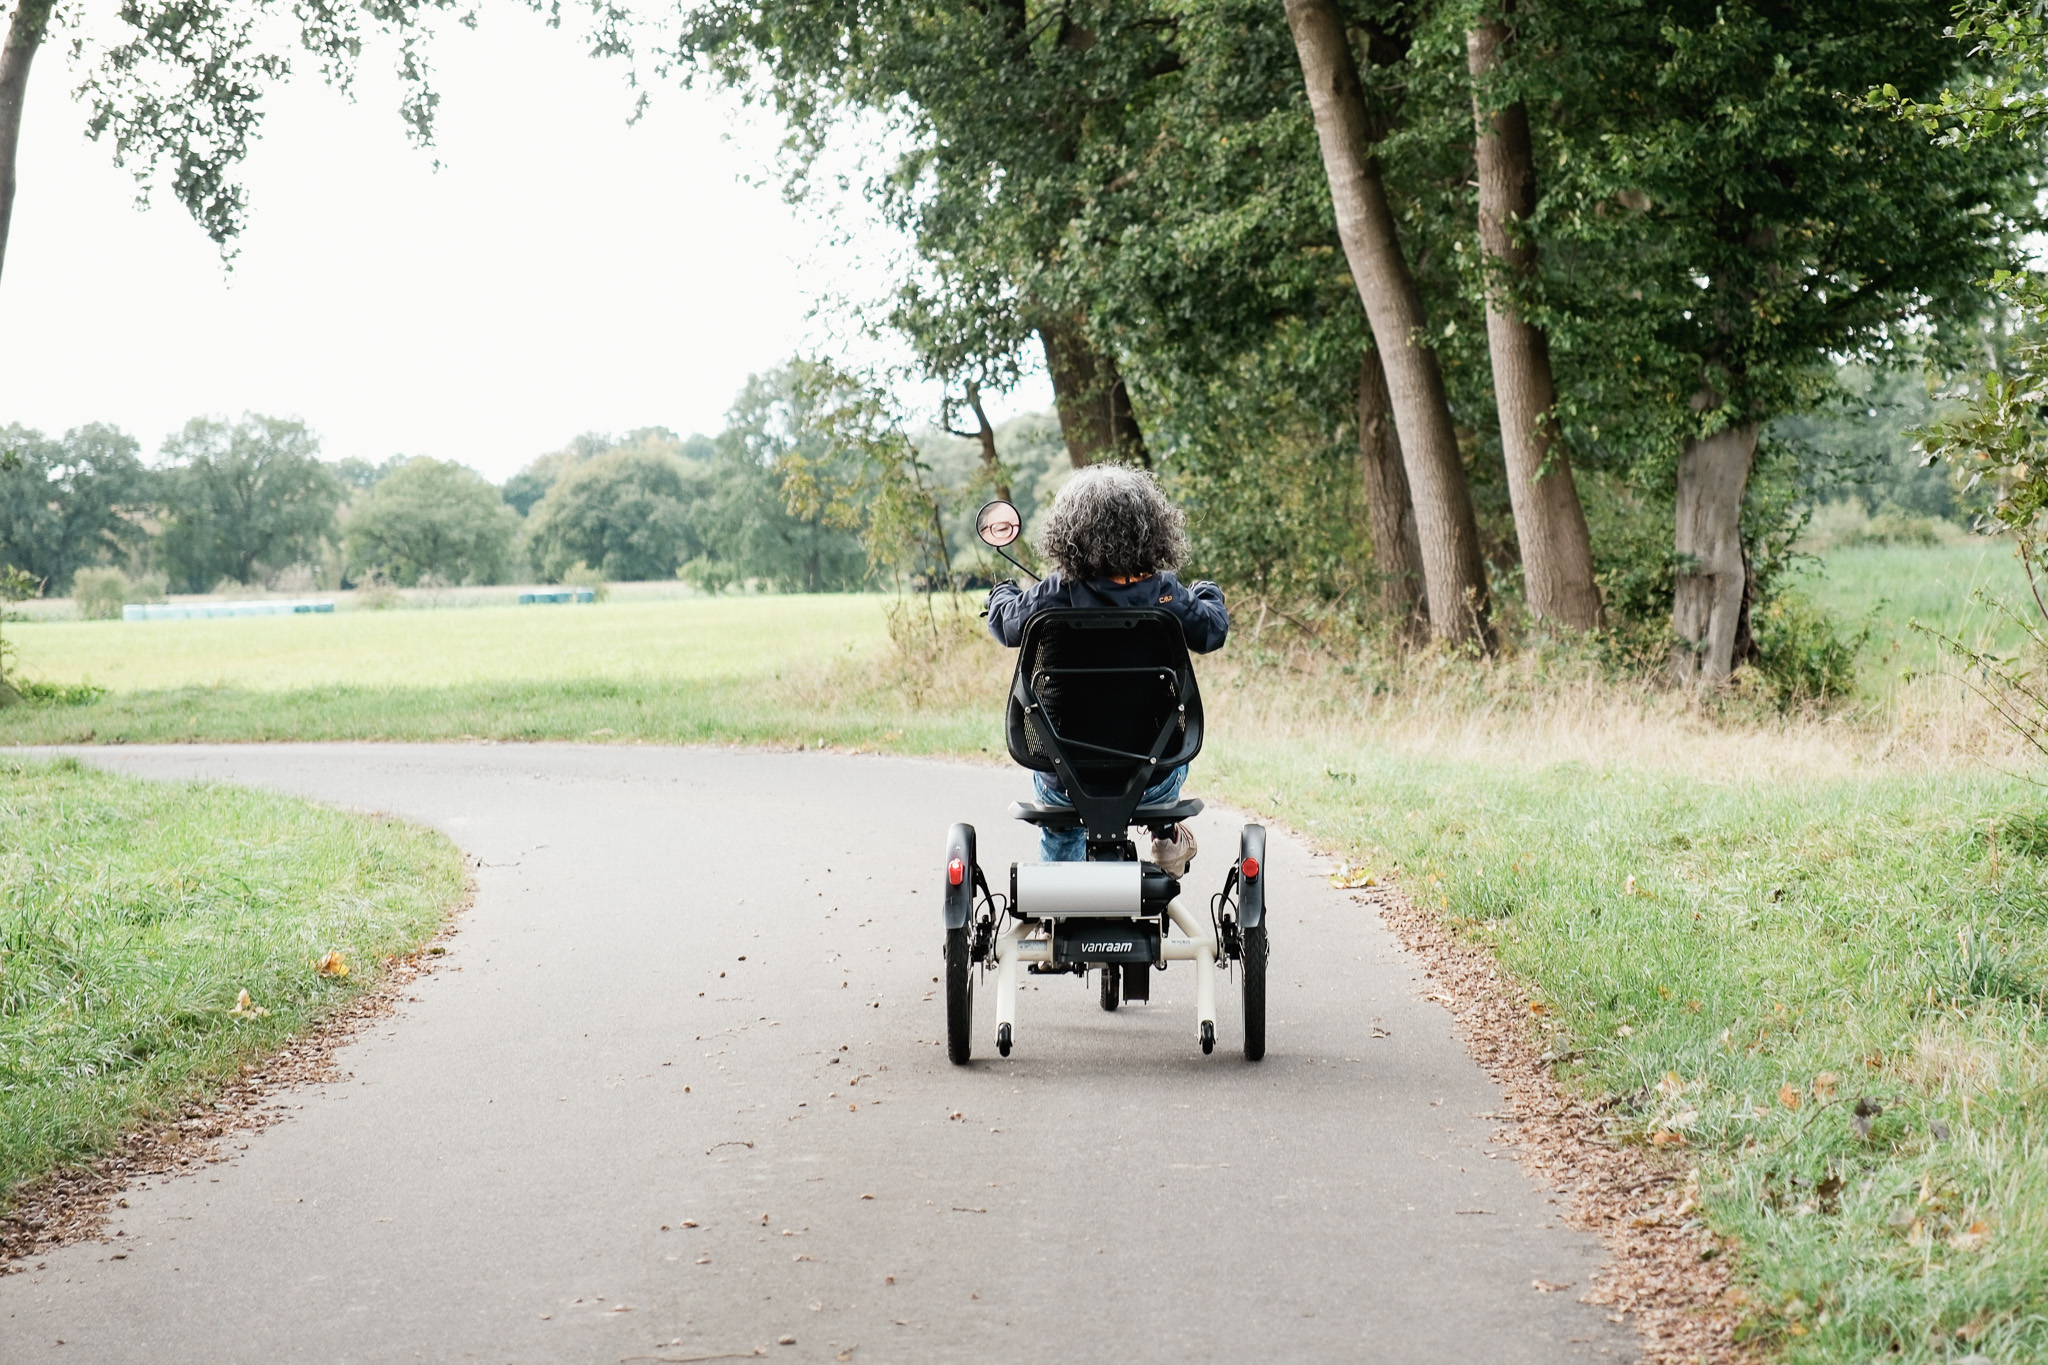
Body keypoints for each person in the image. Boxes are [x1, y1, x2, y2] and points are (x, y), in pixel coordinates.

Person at [985, 465, 1229, 871]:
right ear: (1151, 529)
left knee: (1060, 822)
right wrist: (1207, 592)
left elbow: (1005, 623)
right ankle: (1166, 835)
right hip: (1151, 780)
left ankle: (1057, 901)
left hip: (1062, 778)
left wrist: (1001, 593)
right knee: (1170, 734)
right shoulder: (1165, 593)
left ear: (1068, 533)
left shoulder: (1053, 594)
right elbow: (1212, 632)